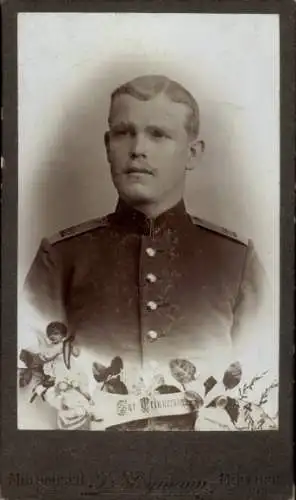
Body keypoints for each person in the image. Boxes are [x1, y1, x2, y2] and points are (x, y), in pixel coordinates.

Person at [18, 74, 270, 431]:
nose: (138, 148)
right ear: (108, 146)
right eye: (123, 132)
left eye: (159, 134)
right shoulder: (61, 257)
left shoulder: (235, 260)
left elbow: (267, 385)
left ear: (192, 154)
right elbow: (24, 384)